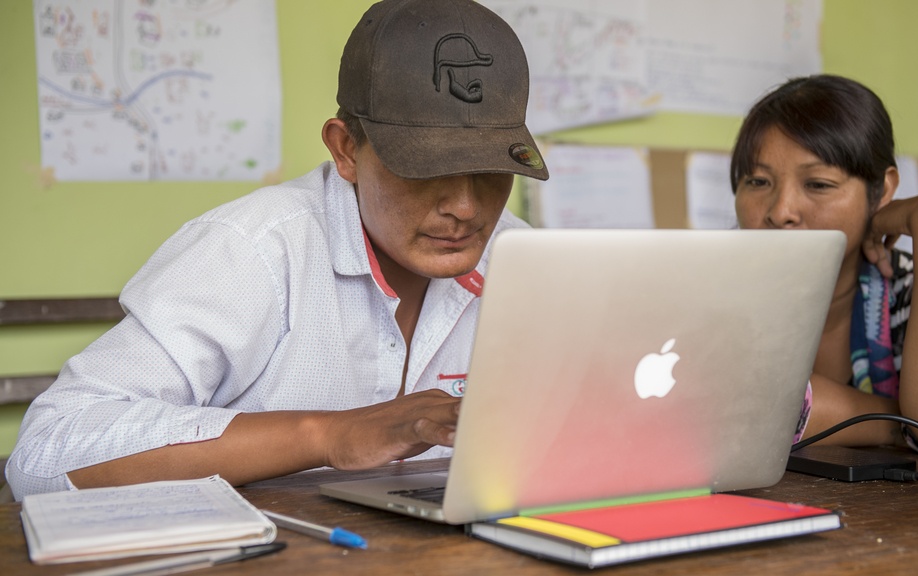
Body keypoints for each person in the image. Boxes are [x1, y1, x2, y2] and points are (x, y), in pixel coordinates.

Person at [6, 0, 549, 500]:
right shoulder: (251, 251)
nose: (465, 206)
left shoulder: (526, 260)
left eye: (492, 169)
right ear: (346, 150)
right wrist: (328, 434)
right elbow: (45, 453)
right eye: (427, 167)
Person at [730, 74, 918, 457]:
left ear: (884, 189)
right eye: (758, 181)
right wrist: (898, 424)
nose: (781, 212)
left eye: (819, 184)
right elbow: (731, 403)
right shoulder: (711, 289)